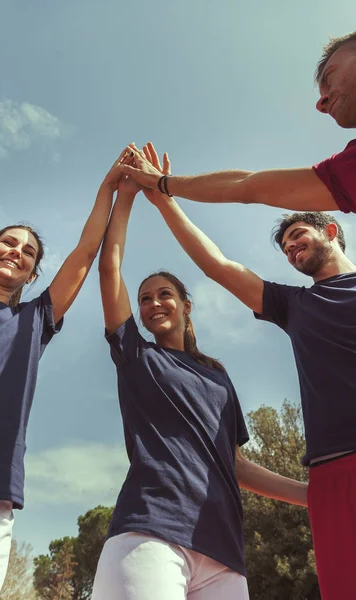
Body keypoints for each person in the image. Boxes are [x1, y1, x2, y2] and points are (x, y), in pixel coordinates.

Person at [137, 144, 356, 600]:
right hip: (334, 471)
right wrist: (164, 199)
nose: (292, 248)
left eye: (298, 234)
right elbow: (218, 266)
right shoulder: (295, 307)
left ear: (331, 229)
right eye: (285, 247)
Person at [92, 155, 307, 600]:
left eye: (164, 294)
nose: (154, 303)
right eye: (145, 297)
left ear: (186, 305)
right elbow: (109, 266)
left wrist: (309, 495)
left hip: (223, 552)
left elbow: (235, 465)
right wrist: (127, 195)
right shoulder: (136, 356)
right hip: (150, 530)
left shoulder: (217, 376)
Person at [0, 148, 134, 600]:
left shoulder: (31, 323)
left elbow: (87, 251)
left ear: (34, 274)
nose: (17, 251)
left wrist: (111, 187)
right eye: (9, 242)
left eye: (29, 252)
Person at [120, 32, 356, 215]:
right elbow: (248, 186)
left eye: (330, 77)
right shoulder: (348, 168)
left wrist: (160, 182)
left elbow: (247, 186)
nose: (321, 103)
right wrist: (160, 183)